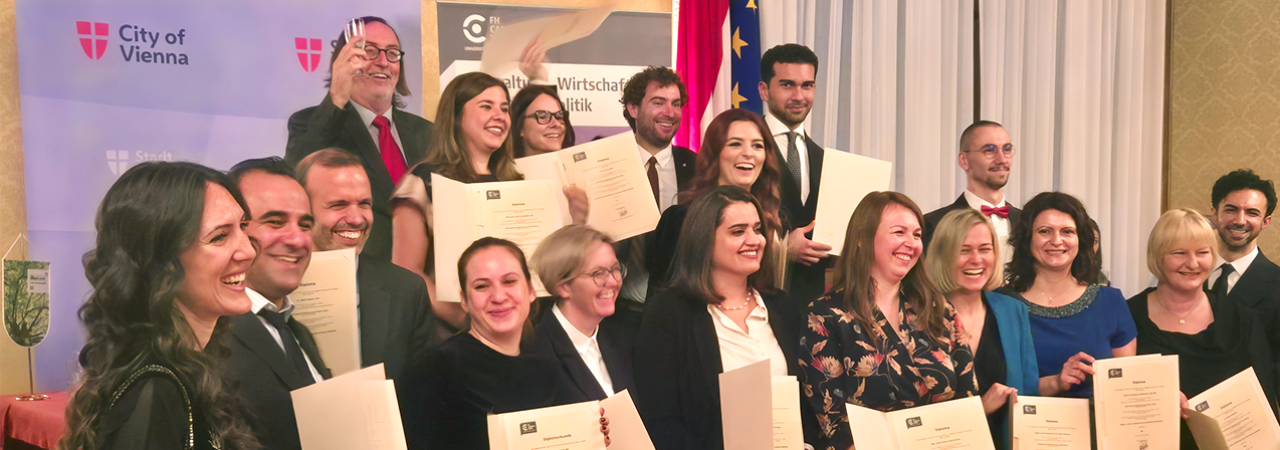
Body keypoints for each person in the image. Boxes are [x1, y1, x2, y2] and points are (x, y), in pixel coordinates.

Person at [59, 162, 258, 450]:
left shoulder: (189, 370)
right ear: (160, 264)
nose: (249, 251)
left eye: (243, 227)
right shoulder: (155, 391)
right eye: (219, 237)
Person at [388, 72, 588, 329]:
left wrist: (577, 221)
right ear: (457, 116)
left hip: (522, 333)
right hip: (454, 336)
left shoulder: (519, 182)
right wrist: (465, 319)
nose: (499, 116)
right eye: (486, 106)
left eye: (504, 108)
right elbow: (407, 274)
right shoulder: (421, 183)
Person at [799, 191, 980, 450]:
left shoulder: (939, 309)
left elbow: (969, 399)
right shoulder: (824, 316)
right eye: (899, 232)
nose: (911, 243)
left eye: (917, 235)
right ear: (862, 238)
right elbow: (834, 424)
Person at [397, 237, 610, 450]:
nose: (498, 296)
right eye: (481, 286)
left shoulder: (548, 362)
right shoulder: (436, 368)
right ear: (464, 300)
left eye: (509, 281)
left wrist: (595, 437)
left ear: (530, 291)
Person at [633, 186, 804, 450]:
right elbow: (660, 421)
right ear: (703, 240)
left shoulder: (783, 307)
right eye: (738, 231)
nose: (755, 240)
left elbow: (804, 403)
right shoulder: (669, 313)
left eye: (757, 229)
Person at [286, 16, 435, 262]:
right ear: (343, 61)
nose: (383, 62)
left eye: (392, 53)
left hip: (423, 281)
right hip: (358, 278)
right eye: (369, 51)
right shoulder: (312, 123)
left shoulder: (427, 133)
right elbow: (294, 182)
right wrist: (336, 96)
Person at [1129, 208, 1278, 450]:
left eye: (1203, 253)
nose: (1192, 263)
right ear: (1157, 257)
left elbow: (1264, 402)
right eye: (1179, 253)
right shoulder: (1126, 317)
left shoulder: (1242, 320)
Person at [295, 149, 436, 381]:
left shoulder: (406, 290)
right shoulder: (271, 291)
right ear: (303, 209)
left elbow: (422, 393)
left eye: (364, 204)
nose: (357, 218)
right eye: (338, 204)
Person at [222, 157, 330, 450]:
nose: (297, 239)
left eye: (305, 224)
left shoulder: (297, 332)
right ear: (233, 230)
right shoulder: (208, 336)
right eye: (275, 222)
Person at [995, 192, 1136, 398]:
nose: (1057, 240)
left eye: (1067, 231)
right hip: (1027, 425)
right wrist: (1055, 382)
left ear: (1080, 240)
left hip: (1098, 426)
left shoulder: (1111, 302)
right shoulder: (1001, 305)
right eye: (1045, 231)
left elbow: (1126, 388)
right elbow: (996, 389)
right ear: (1027, 239)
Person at [925, 208, 1039, 450]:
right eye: (964, 250)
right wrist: (981, 408)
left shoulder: (1013, 311)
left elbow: (1029, 393)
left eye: (985, 249)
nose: (976, 259)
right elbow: (914, 414)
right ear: (943, 255)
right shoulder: (918, 315)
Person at [645, 109, 785, 291]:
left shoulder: (773, 217)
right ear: (714, 153)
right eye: (735, 144)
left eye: (757, 146)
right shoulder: (681, 220)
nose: (748, 153)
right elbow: (661, 299)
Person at [757, 43, 832, 308]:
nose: (799, 95)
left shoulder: (826, 160)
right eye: (787, 85)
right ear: (764, 90)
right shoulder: (742, 152)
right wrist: (781, 250)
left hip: (814, 306)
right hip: (757, 300)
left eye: (807, 85)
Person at [615, 66, 698, 303]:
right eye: (658, 102)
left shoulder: (697, 167)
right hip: (617, 311)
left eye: (676, 104)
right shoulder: (609, 163)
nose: (670, 113)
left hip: (680, 307)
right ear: (633, 108)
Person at [528, 225, 637, 401]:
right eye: (597, 273)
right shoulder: (534, 353)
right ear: (562, 287)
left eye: (615, 269)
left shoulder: (625, 337)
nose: (613, 281)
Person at [923, 121, 1022, 261]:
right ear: (964, 160)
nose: (1002, 159)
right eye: (989, 150)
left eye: (1006, 149)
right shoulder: (932, 225)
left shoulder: (1028, 223)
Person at [1206, 169, 1279, 321]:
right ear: (1214, 214)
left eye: (1252, 213)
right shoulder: (1186, 272)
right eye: (1231, 210)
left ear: (1265, 222)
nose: (1240, 221)